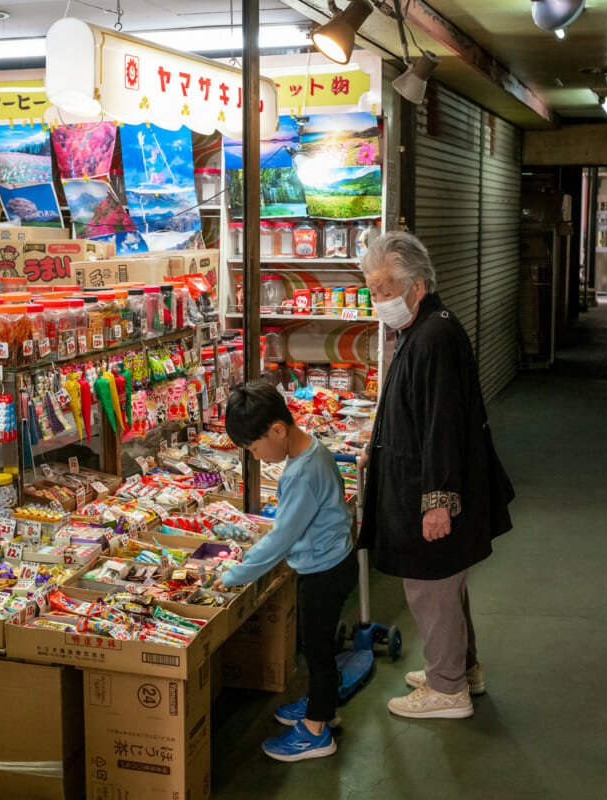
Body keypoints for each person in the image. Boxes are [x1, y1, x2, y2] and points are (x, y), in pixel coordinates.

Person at [357, 231, 515, 720]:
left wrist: (438, 500)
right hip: (424, 478)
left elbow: (444, 423)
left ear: (417, 287)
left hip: (435, 487)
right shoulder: (423, 328)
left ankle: (448, 690)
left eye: (385, 290)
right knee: (447, 584)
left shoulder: (435, 336)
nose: (377, 300)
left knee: (432, 585)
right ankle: (461, 668)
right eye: (372, 290)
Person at [215, 382, 356, 762]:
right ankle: (318, 703)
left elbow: (281, 540)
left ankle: (316, 730)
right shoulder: (311, 452)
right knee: (319, 645)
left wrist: (233, 575)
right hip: (334, 561)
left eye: (254, 448)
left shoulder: (300, 474)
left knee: (319, 651)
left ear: (277, 430)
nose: (257, 457)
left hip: (323, 571)